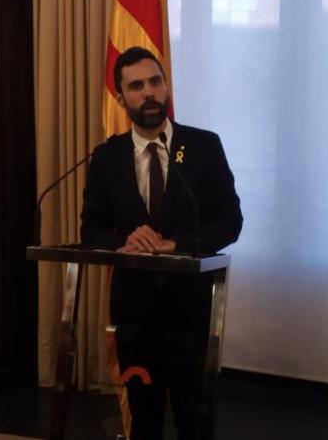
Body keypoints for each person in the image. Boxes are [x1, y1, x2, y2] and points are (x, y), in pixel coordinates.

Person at [80, 46, 242, 440]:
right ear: (120, 97)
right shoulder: (106, 157)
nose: (149, 92)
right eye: (136, 86)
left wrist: (176, 243)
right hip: (135, 312)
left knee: (192, 417)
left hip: (190, 309)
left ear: (166, 87)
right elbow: (91, 231)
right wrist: (125, 239)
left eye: (155, 82)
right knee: (144, 417)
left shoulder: (203, 146)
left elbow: (229, 222)